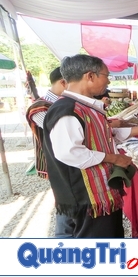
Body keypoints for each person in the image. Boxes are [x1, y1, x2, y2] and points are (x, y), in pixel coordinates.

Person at [42, 54, 138, 238]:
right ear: (90, 76)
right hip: (86, 197)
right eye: (106, 75)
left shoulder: (85, 107)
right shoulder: (68, 110)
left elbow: (108, 135)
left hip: (101, 194)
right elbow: (70, 153)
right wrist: (115, 158)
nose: (108, 81)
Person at [25, 67, 76, 237]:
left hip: (71, 160)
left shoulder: (62, 103)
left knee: (73, 200)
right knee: (66, 201)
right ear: (63, 82)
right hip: (57, 163)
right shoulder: (39, 108)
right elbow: (59, 131)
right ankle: (64, 239)